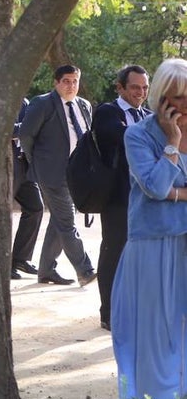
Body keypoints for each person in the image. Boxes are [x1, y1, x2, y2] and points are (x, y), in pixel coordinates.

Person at [112, 58, 187, 399]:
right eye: (177, 98)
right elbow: (156, 187)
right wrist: (172, 143)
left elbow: (164, 188)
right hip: (152, 245)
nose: (184, 105)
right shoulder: (139, 134)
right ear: (160, 98)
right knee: (154, 335)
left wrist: (177, 192)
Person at [19, 64, 97, 287]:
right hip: (52, 174)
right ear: (56, 82)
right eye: (66, 81)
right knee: (67, 221)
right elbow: (26, 135)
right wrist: (38, 163)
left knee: (59, 221)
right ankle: (85, 270)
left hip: (77, 173)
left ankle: (46, 271)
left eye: (75, 81)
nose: (71, 86)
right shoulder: (43, 103)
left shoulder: (84, 105)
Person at [93, 65, 150, 330]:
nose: (141, 93)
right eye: (135, 87)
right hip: (117, 198)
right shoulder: (107, 112)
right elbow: (124, 136)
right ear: (121, 87)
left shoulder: (148, 115)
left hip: (147, 198)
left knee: (143, 256)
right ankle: (109, 313)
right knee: (114, 253)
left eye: (145, 88)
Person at [10, 97, 44, 280]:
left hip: (25, 165)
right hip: (7, 165)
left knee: (36, 207)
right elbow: (5, 129)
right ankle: (2, 264)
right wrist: (27, 128)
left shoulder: (24, 102)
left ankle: (20, 259)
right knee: (3, 216)